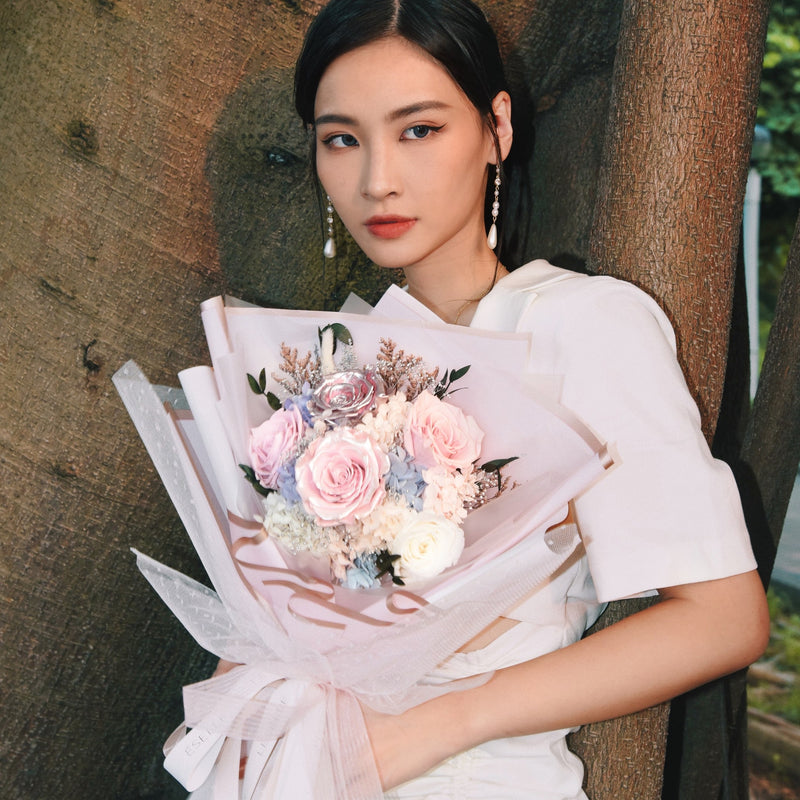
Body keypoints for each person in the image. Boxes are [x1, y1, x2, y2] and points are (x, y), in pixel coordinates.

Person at [218, 1, 769, 797]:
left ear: (497, 128)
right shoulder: (336, 366)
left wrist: (447, 722)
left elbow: (722, 619)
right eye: (342, 139)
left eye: (419, 129)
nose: (377, 179)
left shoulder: (581, 326)